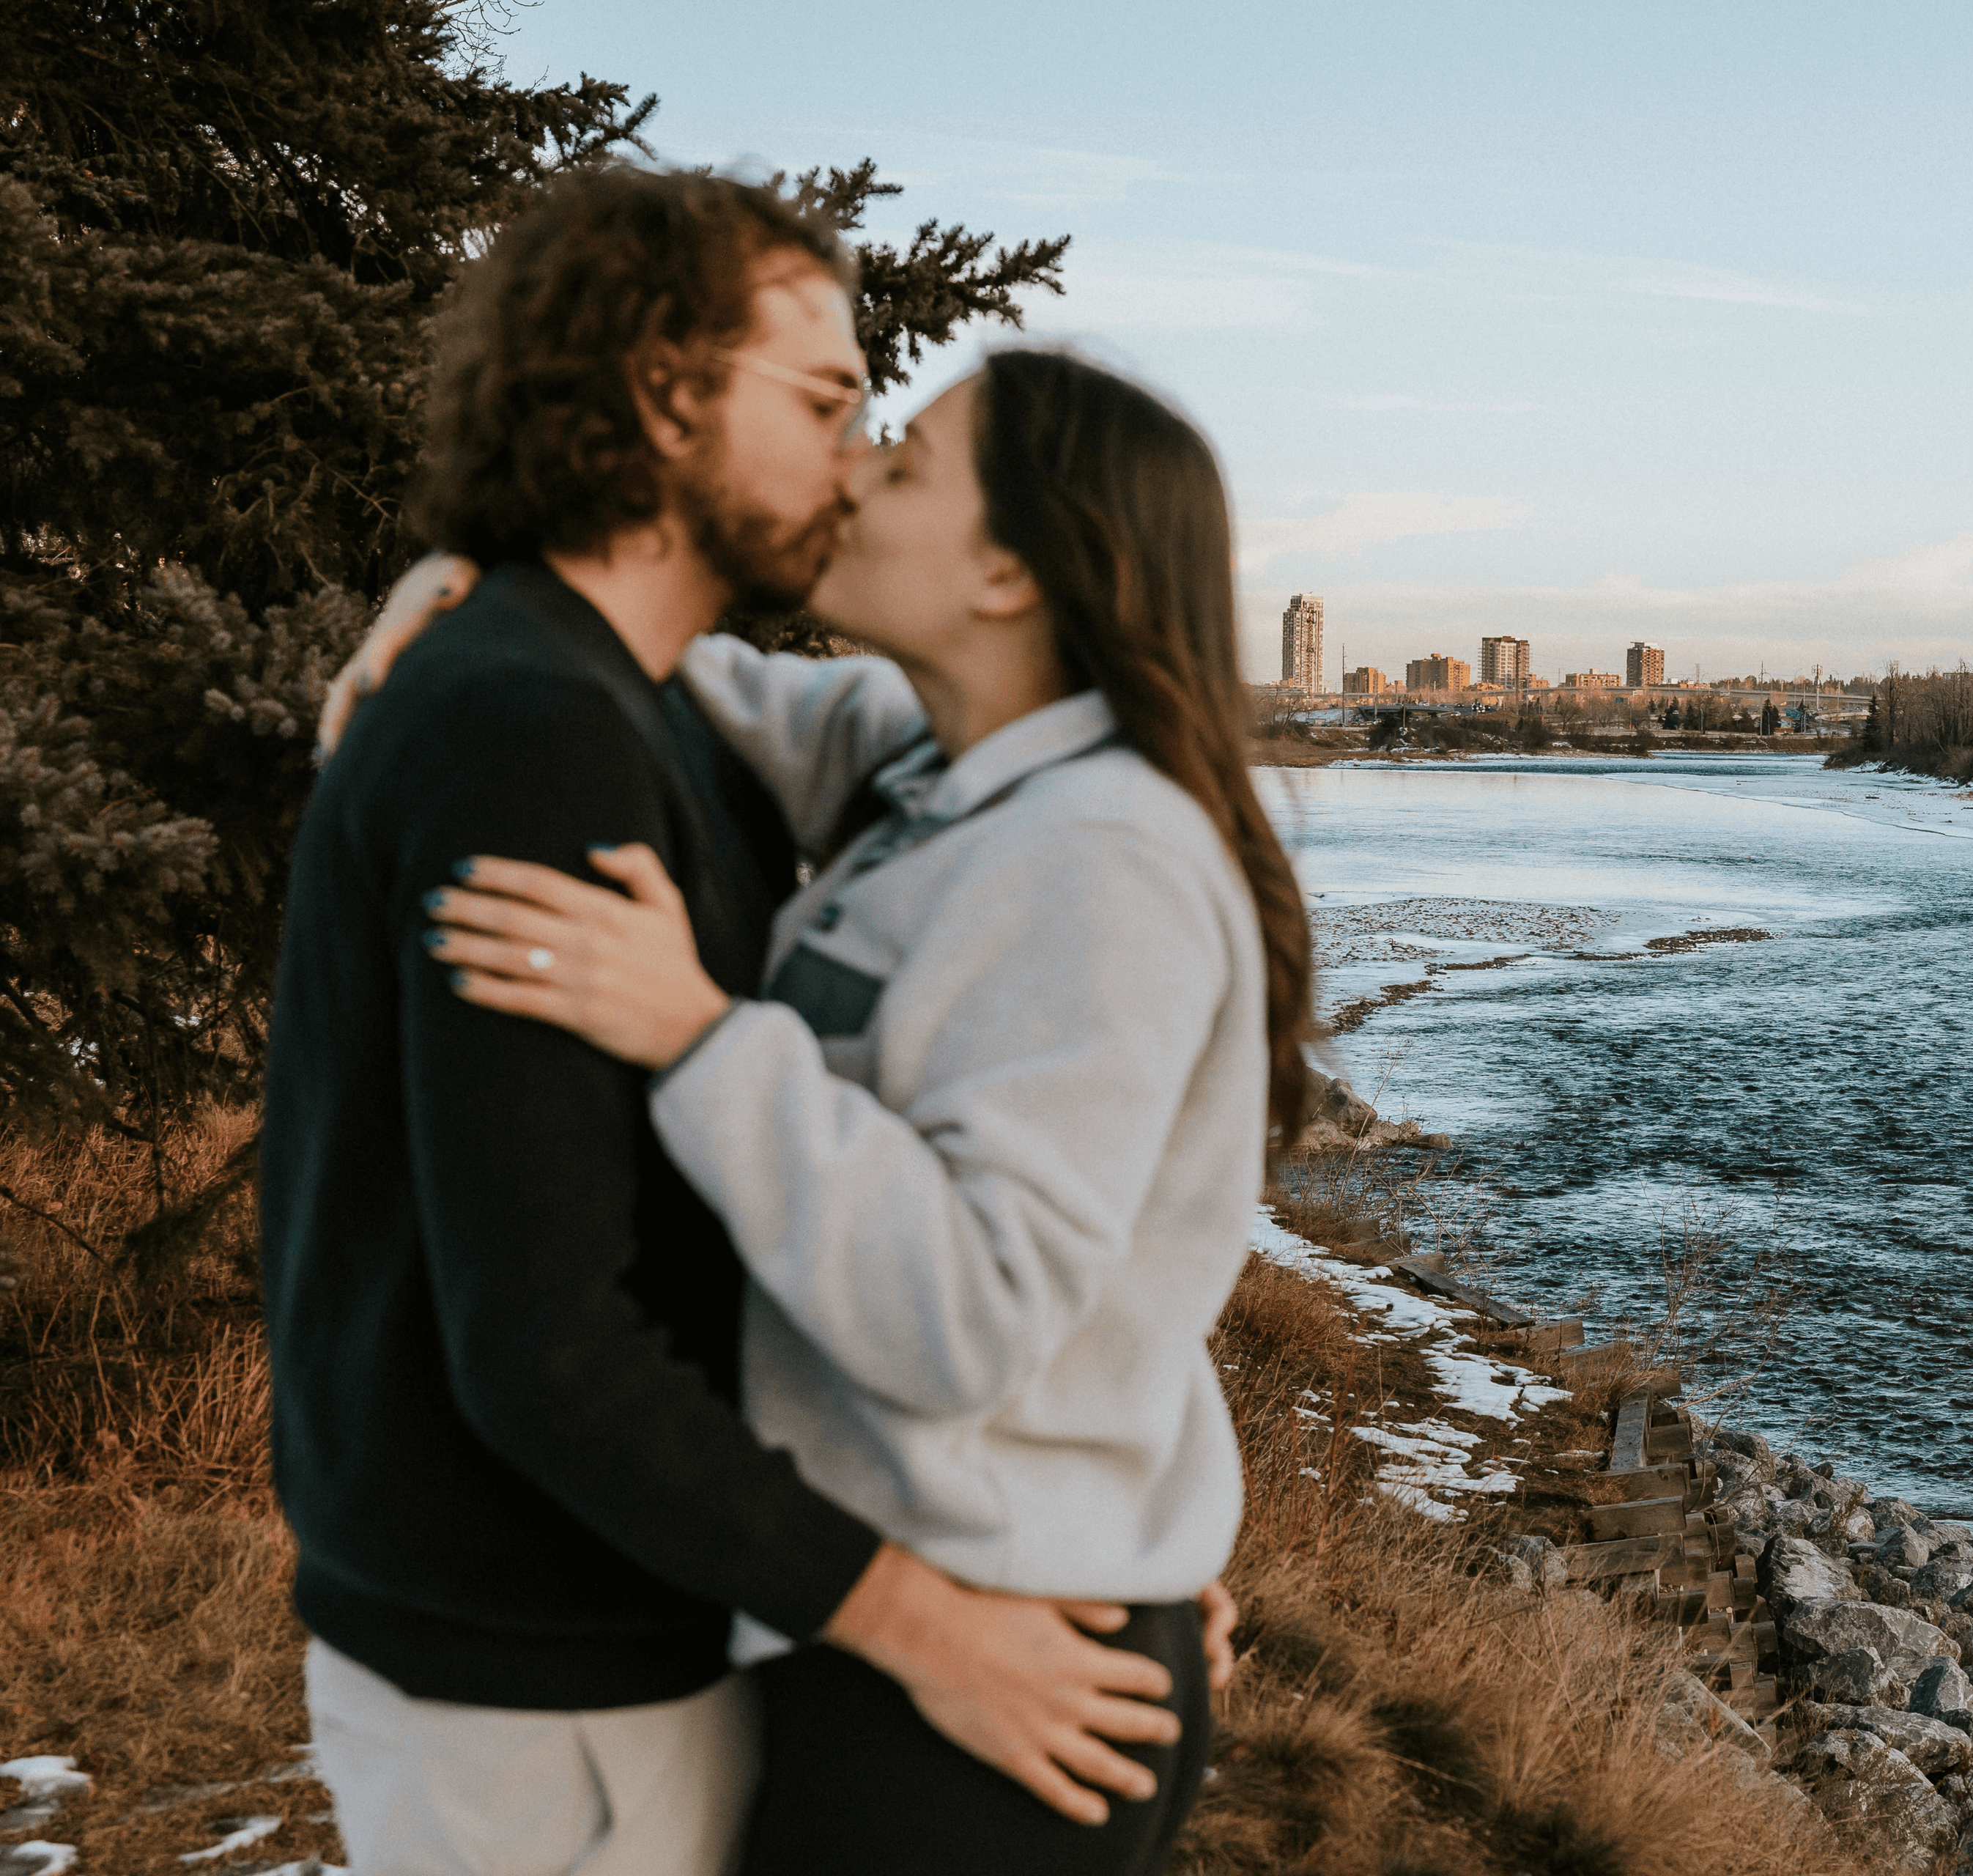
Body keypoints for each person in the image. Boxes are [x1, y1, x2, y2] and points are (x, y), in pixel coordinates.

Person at [264, 170, 1192, 1876]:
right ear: (661, 394)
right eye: (830, 401)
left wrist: (1127, 1516)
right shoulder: (530, 730)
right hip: (539, 1672)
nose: (856, 458)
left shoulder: (657, 708)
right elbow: (547, 1343)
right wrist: (930, 1623)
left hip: (630, 1635)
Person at [402, 345, 1310, 1873]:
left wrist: (697, 1034)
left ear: (1012, 566)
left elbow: (974, 1305)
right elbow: (679, 666)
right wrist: (468, 595)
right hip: (939, 1626)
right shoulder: (940, 766)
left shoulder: (1101, 858)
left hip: (984, 1692)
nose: (854, 470)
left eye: (907, 461)